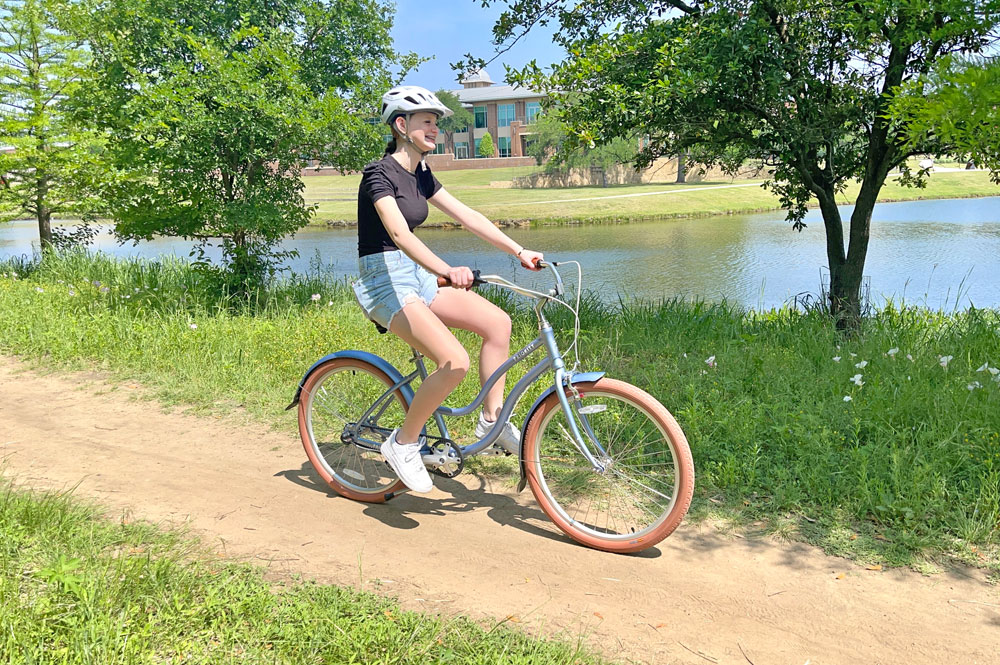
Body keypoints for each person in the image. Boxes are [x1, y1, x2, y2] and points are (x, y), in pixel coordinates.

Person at [352, 85, 544, 493]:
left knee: (497, 324)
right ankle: (402, 443)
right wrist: (446, 269)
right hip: (384, 279)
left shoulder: (421, 173)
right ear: (401, 126)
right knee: (453, 360)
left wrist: (518, 249)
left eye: (436, 123)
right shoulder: (379, 174)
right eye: (427, 122)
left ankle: (491, 424)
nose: (434, 129)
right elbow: (399, 233)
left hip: (414, 274)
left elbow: (468, 215)